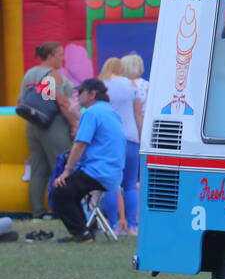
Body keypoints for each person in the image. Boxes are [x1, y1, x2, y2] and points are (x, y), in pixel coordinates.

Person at [47, 79, 125, 243]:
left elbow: (80, 144)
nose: (77, 94)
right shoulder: (108, 111)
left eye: (80, 91)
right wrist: (76, 111)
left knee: (59, 191)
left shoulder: (92, 113)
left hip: (98, 172)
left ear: (92, 94)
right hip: (111, 172)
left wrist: (67, 171)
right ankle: (85, 230)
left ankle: (82, 234)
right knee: (70, 191)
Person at [20, 42, 78, 220]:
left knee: (38, 169)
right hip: (52, 125)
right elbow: (60, 102)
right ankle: (64, 210)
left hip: (32, 125)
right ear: (50, 56)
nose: (63, 58)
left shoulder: (29, 73)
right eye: (60, 54)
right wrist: (74, 123)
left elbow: (21, 99)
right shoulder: (52, 75)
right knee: (62, 166)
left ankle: (38, 211)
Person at [100, 56, 144, 235]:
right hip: (132, 137)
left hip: (111, 140)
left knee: (112, 184)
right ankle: (132, 226)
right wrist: (142, 139)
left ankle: (113, 225)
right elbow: (138, 114)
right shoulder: (132, 86)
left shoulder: (102, 86)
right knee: (131, 184)